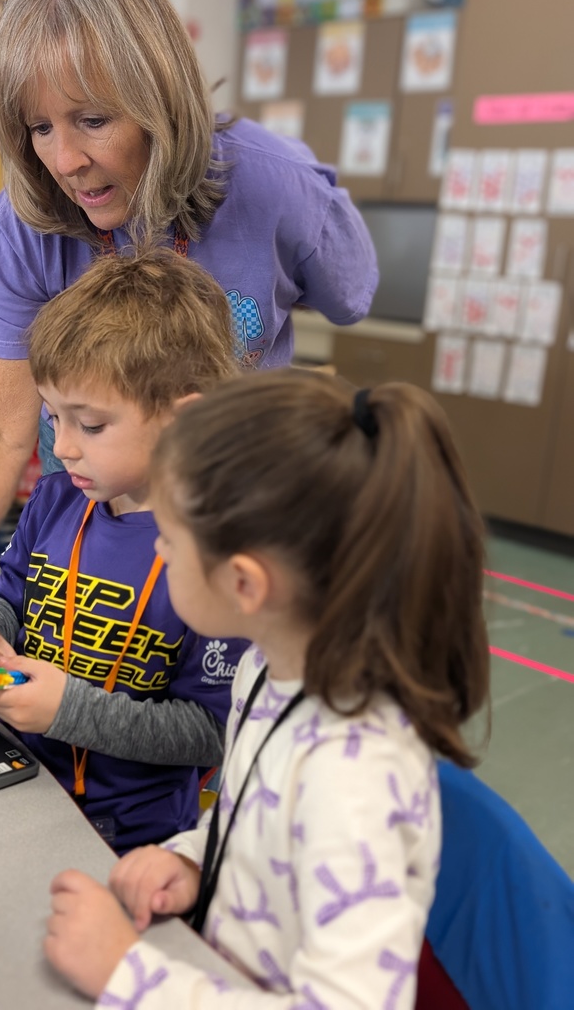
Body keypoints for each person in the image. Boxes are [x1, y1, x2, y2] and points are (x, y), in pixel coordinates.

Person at [0, 0, 378, 673]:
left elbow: (351, 297)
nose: (65, 161)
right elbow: (1, 424)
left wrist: (311, 208)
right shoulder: (28, 222)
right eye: (39, 127)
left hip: (233, 524)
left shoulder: (272, 183)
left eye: (91, 119)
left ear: (160, 98)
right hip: (92, 531)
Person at [41, 369, 491, 1006]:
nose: (160, 555)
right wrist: (198, 858)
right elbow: (258, 820)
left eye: (170, 538)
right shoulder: (268, 671)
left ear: (246, 586)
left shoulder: (350, 779)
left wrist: (127, 974)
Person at [0, 249, 248, 854]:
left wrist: (66, 710)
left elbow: (211, 732)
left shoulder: (225, 557)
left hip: (128, 838)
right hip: (12, 782)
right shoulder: (58, 497)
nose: (62, 447)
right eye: (52, 417)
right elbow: (11, 590)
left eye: (90, 425)